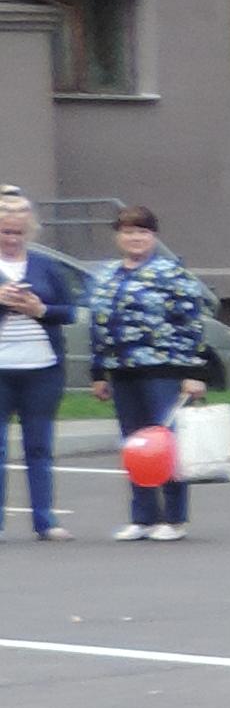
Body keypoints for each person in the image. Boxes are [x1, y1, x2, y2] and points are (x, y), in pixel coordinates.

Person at [81, 201, 216, 540]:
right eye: (128, 231)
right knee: (135, 445)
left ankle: (173, 518)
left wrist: (195, 372)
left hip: (164, 371)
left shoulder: (171, 274)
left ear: (153, 236)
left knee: (165, 443)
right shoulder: (106, 276)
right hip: (121, 371)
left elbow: (192, 324)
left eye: (142, 231)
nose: (135, 238)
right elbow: (97, 327)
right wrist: (98, 373)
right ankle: (142, 517)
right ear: (118, 236)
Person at [0, 190, 76, 543]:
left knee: (40, 446)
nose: (12, 239)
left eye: (18, 232)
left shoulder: (46, 266)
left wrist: (40, 309)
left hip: (42, 370)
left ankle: (45, 520)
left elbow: (70, 311)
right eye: (5, 232)